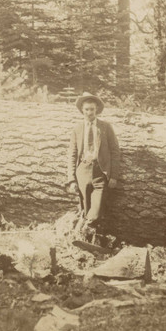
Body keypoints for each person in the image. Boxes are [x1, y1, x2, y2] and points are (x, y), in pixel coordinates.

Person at [66, 92, 120, 239]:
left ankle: (81, 232)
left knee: (95, 210)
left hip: (100, 171)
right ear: (82, 110)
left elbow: (115, 152)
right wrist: (71, 179)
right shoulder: (77, 129)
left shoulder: (105, 127)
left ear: (97, 110)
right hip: (82, 171)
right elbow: (72, 153)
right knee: (85, 208)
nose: (89, 113)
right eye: (86, 109)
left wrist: (114, 175)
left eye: (92, 109)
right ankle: (89, 241)